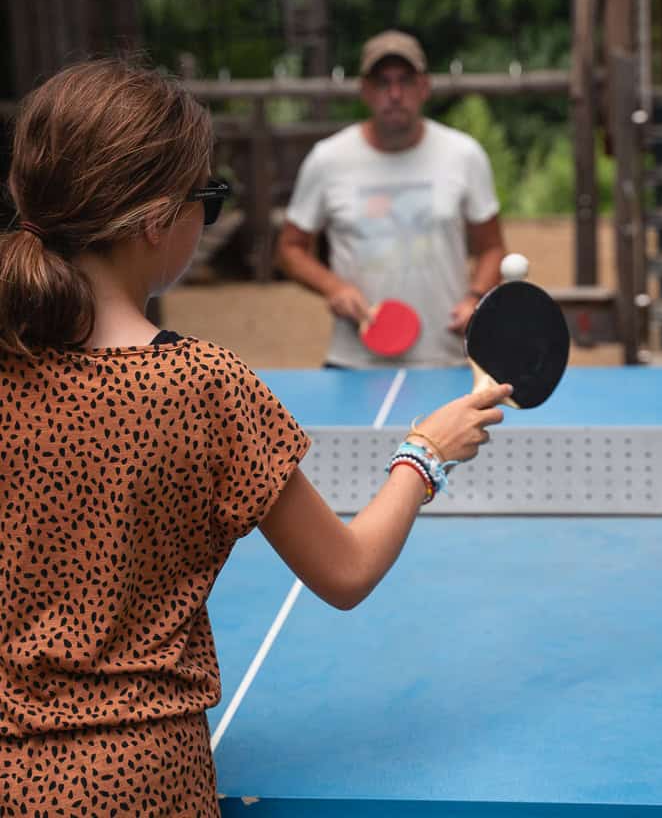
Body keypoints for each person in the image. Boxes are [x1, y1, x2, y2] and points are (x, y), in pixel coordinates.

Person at [0, 59, 511, 815]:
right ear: (155, 221)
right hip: (145, 784)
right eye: (205, 198)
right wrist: (425, 452)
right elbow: (345, 572)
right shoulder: (203, 385)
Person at [276, 29, 506, 368]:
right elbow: (289, 249)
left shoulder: (464, 154)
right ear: (365, 91)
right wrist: (333, 287)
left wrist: (476, 297)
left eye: (406, 81)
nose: (395, 94)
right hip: (353, 362)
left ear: (424, 87)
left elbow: (493, 248)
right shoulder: (327, 160)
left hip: (446, 359)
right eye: (383, 82)